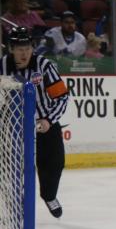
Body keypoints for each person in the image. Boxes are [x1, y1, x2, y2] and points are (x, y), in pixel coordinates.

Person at [0, 27, 69, 218]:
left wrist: (48, 120)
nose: (24, 52)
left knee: (55, 163)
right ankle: (13, 203)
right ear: (11, 48)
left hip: (44, 123)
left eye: (27, 47)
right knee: (11, 167)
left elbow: (62, 97)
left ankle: (49, 195)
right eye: (19, 48)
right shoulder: (2, 66)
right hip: (13, 127)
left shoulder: (44, 66)